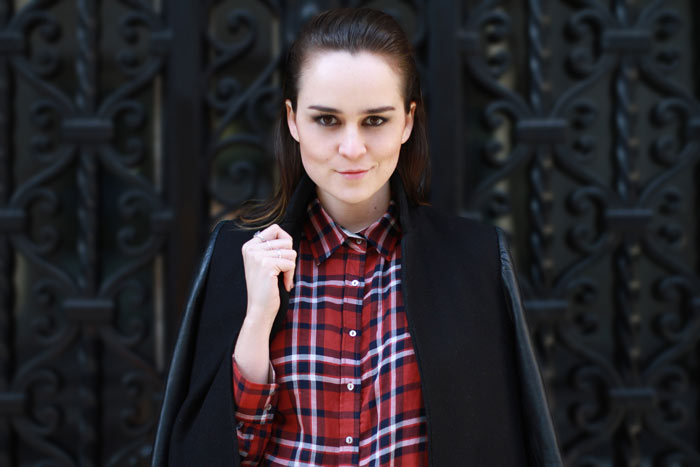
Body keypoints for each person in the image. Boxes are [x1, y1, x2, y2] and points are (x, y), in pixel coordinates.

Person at [152, 7, 561, 467]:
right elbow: (220, 454)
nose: (351, 149)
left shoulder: (474, 259)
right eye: (327, 120)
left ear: (407, 121)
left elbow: (494, 443)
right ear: (293, 120)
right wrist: (257, 323)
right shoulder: (236, 257)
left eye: (375, 121)